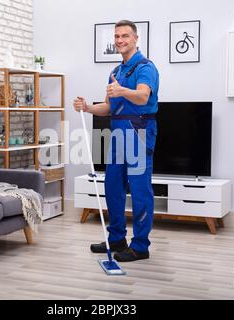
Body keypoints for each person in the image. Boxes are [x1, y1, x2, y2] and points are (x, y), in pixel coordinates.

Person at [73, 20, 159, 262]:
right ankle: (116, 239)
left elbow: (142, 96)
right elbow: (110, 107)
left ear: (135, 38)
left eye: (125, 36)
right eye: (117, 36)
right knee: (113, 187)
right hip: (118, 134)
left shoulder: (145, 67)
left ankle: (140, 246)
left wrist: (122, 91)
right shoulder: (117, 72)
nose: (120, 40)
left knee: (140, 190)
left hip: (139, 133)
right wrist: (87, 107)